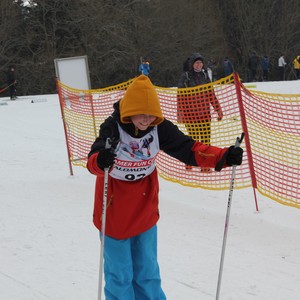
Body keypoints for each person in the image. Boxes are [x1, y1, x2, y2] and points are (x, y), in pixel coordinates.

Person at [86, 75, 243, 299]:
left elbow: (189, 149)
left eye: (152, 114)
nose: (147, 119)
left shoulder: (159, 128)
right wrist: (101, 160)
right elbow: (93, 160)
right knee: (120, 276)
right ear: (130, 109)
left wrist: (224, 156)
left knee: (147, 273)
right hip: (113, 213)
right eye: (142, 113)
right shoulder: (112, 128)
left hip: (144, 209)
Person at [177, 53, 223, 172]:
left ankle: (205, 165)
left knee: (205, 140)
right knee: (192, 141)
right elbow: (180, 96)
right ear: (192, 64)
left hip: (204, 114)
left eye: (201, 62)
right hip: (190, 115)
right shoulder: (185, 76)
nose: (199, 64)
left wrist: (218, 109)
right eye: (197, 62)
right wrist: (180, 112)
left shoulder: (204, 75)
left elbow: (211, 94)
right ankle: (189, 162)